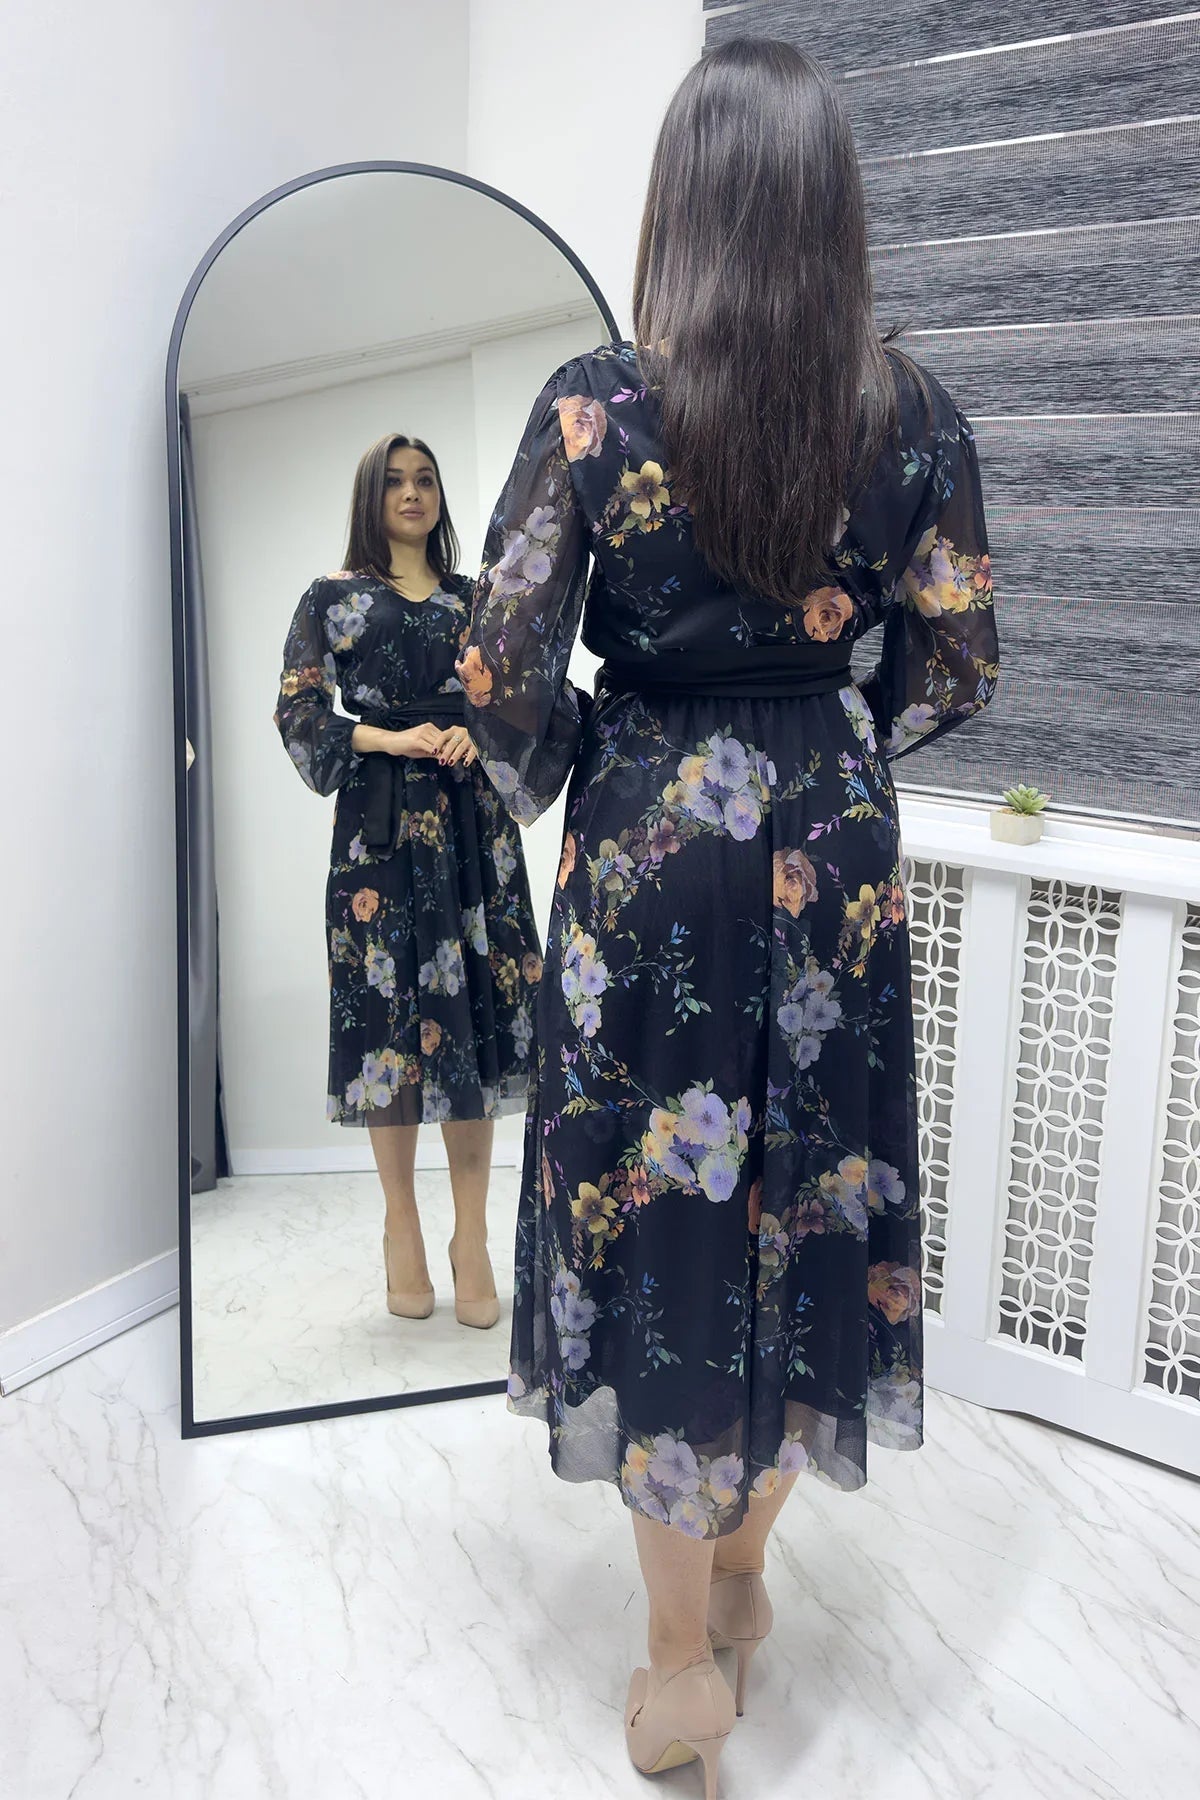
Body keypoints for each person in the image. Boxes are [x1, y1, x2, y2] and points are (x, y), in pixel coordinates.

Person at [459, 38, 999, 1796]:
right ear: (832, 207)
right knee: (808, 1185)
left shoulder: (594, 407)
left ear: (679, 203)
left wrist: (601, 754)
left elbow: (501, 673)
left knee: (658, 1208)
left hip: (649, 845)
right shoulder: (908, 412)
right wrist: (827, 721)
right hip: (833, 839)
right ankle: (753, 1568)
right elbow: (957, 663)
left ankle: (681, 1656)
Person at [275, 433, 542, 1330]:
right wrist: (387, 737)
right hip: (381, 836)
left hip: (471, 827)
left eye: (425, 479)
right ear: (371, 497)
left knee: (474, 1024)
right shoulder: (332, 598)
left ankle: (472, 1234)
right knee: (387, 1028)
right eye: (394, 481)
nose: (412, 492)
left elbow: (516, 699)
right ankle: (401, 1224)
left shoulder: (475, 600)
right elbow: (297, 708)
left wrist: (477, 728)